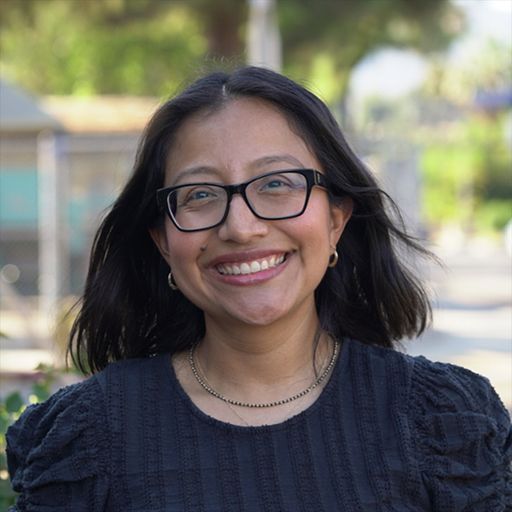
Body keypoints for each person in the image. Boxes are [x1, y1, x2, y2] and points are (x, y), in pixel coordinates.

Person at [6, 66, 511, 511]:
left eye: (276, 183)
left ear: (336, 219)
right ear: (163, 241)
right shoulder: (85, 440)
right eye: (200, 194)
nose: (241, 227)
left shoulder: (446, 423)